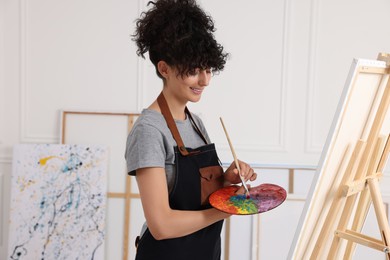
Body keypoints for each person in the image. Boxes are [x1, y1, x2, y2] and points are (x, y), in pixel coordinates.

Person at [125, 0, 257, 259]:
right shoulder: (149, 131)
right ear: (164, 68)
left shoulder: (196, 123)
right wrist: (227, 210)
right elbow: (161, 225)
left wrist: (227, 180)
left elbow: (200, 195)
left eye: (208, 69)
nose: (205, 80)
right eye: (194, 70)